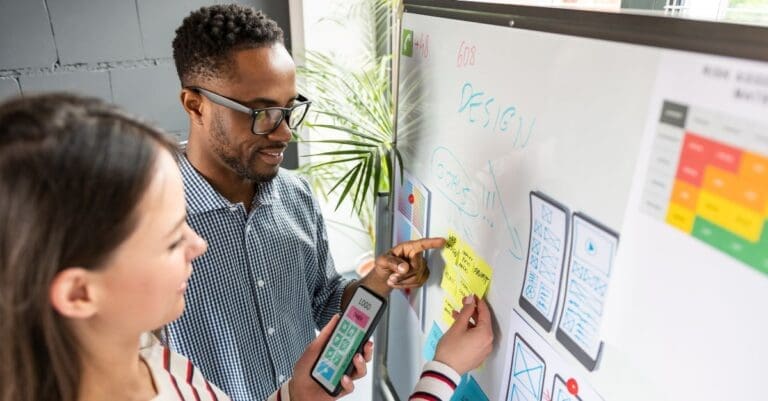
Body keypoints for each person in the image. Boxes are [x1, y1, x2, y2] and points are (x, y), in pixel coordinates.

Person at [0, 93, 494, 401]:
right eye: (172, 238)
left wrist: (297, 394)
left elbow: (323, 294)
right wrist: (444, 371)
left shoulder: (160, 367)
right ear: (80, 293)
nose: (197, 244)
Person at [169, 5, 447, 400]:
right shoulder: (150, 229)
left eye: (290, 108)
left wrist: (381, 278)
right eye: (263, 112)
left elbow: (324, 300)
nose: (285, 133)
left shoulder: (295, 196)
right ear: (195, 105)